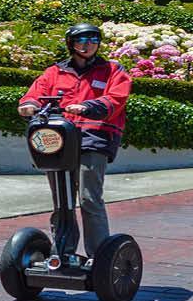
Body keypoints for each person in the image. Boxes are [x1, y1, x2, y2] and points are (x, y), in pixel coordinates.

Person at [18, 22, 131, 264]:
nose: (88, 44)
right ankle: (63, 252)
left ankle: (99, 258)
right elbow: (35, 94)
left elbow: (116, 97)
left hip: (94, 137)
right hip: (59, 140)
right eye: (81, 40)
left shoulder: (112, 70)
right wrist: (29, 105)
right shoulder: (55, 72)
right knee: (61, 198)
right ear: (71, 44)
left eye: (93, 39)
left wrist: (90, 106)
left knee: (89, 199)